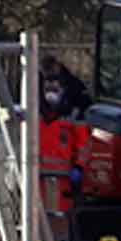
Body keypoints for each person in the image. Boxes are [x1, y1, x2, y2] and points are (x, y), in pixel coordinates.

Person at [39, 76, 89, 225]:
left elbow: (84, 146)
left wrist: (79, 167)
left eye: (55, 90)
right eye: (48, 89)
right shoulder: (33, 116)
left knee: (61, 220)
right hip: (37, 181)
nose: (51, 94)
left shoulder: (73, 118)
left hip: (63, 182)